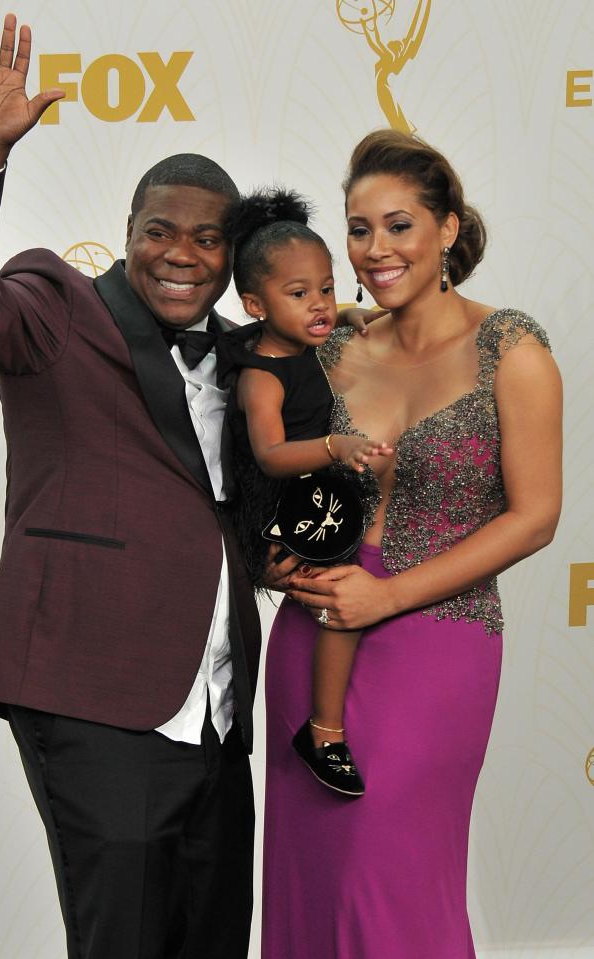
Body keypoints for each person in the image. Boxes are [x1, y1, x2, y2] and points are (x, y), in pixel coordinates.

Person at [0, 14, 262, 959]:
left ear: (233, 257)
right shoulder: (58, 308)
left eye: (208, 239)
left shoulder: (247, 360)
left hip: (221, 708)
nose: (182, 252)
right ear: (129, 235)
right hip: (96, 687)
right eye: (160, 232)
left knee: (211, 938)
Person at [261, 129, 562, 958]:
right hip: (314, 635)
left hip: (439, 638)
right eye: (359, 229)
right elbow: (269, 473)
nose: (375, 249)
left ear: (449, 230)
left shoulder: (513, 347)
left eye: (398, 225)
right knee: (310, 874)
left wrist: (388, 592)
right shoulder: (333, 346)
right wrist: (274, 557)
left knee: (388, 872)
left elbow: (536, 516)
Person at [220, 187, 392, 796]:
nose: (319, 304)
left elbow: (325, 318)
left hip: (311, 502)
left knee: (347, 602)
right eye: (300, 295)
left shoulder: (303, 342)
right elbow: (269, 455)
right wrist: (333, 448)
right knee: (338, 606)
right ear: (254, 304)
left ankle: (330, 723)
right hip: (277, 515)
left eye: (326, 287)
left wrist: (344, 316)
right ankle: (323, 731)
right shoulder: (261, 376)